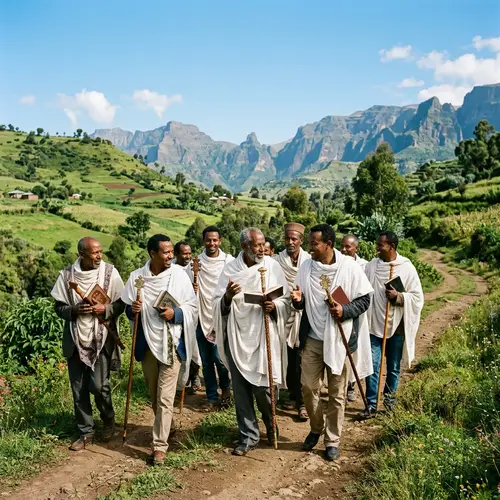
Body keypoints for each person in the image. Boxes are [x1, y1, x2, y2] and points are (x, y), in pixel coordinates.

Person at [291, 224, 373, 461]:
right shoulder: (306, 266)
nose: (310, 247)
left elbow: (364, 299)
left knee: (337, 393)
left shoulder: (349, 267)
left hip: (340, 339)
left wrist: (344, 309)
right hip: (312, 339)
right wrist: (297, 301)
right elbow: (301, 299)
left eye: (314, 243)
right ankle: (316, 428)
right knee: (308, 387)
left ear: (328, 244)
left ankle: (332, 439)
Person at [121, 234, 198, 465]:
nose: (170, 256)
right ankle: (168, 425)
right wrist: (132, 309)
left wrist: (176, 314)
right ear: (152, 254)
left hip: (172, 344)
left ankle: (159, 447)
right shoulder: (137, 277)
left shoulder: (179, 277)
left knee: (165, 398)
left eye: (171, 252)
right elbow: (127, 309)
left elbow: (192, 307)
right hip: (147, 345)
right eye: (165, 252)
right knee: (155, 396)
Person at [213, 227, 290, 456]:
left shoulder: (272, 266)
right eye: (257, 245)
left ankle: (270, 422)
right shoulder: (230, 270)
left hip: (264, 335)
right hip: (237, 337)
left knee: (263, 389)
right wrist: (227, 297)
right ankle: (248, 436)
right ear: (244, 247)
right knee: (242, 391)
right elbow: (217, 303)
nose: (262, 249)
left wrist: (274, 306)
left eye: (263, 244)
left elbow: (285, 298)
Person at [51, 237, 125, 451]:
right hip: (75, 339)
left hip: (101, 338)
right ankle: (86, 432)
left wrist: (106, 310)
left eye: (100, 252)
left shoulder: (110, 273)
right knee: (79, 389)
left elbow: (121, 302)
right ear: (82, 254)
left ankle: (109, 419)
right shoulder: (66, 275)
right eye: (94, 253)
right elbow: (59, 307)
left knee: (99, 385)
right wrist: (74, 311)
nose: (99, 256)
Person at [364, 231, 424, 414]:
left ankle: (389, 403)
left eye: (381, 244)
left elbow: (418, 297)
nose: (377, 248)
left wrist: (399, 296)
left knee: (393, 367)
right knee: (372, 366)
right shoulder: (371, 266)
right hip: (374, 323)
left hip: (396, 326)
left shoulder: (406, 267)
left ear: (392, 246)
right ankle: (371, 405)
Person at [187, 226, 233, 411]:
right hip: (200, 316)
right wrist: (192, 290)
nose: (211, 243)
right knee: (206, 361)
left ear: (220, 241)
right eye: (208, 240)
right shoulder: (195, 263)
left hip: (220, 316)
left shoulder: (228, 262)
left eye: (215, 240)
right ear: (203, 241)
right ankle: (212, 397)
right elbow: (187, 289)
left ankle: (226, 393)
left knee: (220, 358)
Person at [275, 222, 311, 421]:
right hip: (283, 315)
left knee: (303, 360)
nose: (290, 242)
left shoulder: (309, 261)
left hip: (305, 315)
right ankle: (292, 394)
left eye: (294, 239)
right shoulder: (276, 261)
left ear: (301, 241)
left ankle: (304, 402)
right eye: (287, 238)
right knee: (288, 360)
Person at [340, 233, 368, 402]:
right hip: (340, 310)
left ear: (356, 248)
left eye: (348, 247)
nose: (344, 250)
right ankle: (340, 385)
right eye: (342, 246)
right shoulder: (337, 264)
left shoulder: (364, 266)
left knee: (355, 349)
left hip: (358, 313)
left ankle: (351, 385)